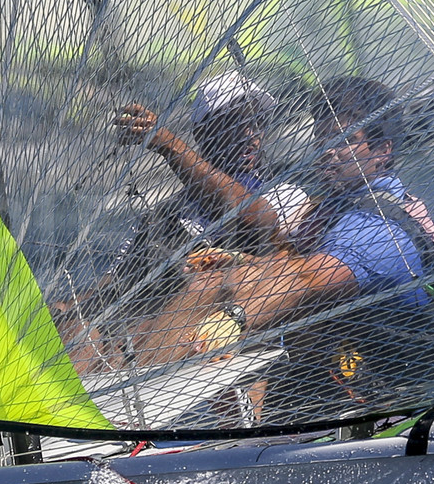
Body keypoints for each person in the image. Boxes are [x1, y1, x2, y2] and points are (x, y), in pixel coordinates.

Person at [142, 76, 434, 417]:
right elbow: (292, 259)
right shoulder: (339, 203)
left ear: (382, 152)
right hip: (322, 373)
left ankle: (138, 417)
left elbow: (304, 278)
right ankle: (134, 393)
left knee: (226, 292)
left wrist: (233, 318)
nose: (327, 151)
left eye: (344, 140)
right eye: (322, 138)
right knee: (218, 281)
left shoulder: (379, 223)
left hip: (371, 402)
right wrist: (239, 258)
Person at [60, 71, 307, 374]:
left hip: (210, 346)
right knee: (74, 324)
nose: (251, 134)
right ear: (204, 134)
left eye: (258, 122)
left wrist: (168, 144)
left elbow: (253, 216)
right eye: (236, 123)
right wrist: (64, 308)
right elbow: (118, 279)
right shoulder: (165, 212)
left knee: (120, 340)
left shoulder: (284, 194)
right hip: (137, 329)